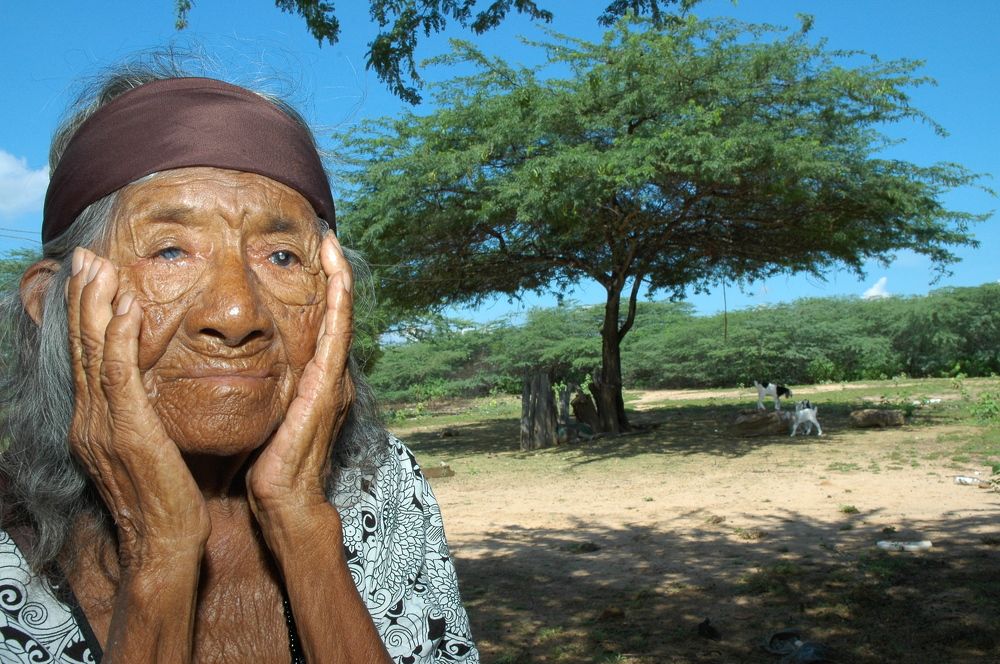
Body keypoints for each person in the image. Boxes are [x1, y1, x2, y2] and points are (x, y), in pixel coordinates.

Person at [0, 58, 478, 663]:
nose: (235, 313)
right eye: (170, 250)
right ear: (52, 299)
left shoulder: (379, 488)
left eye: (281, 257)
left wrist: (303, 528)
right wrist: (161, 550)